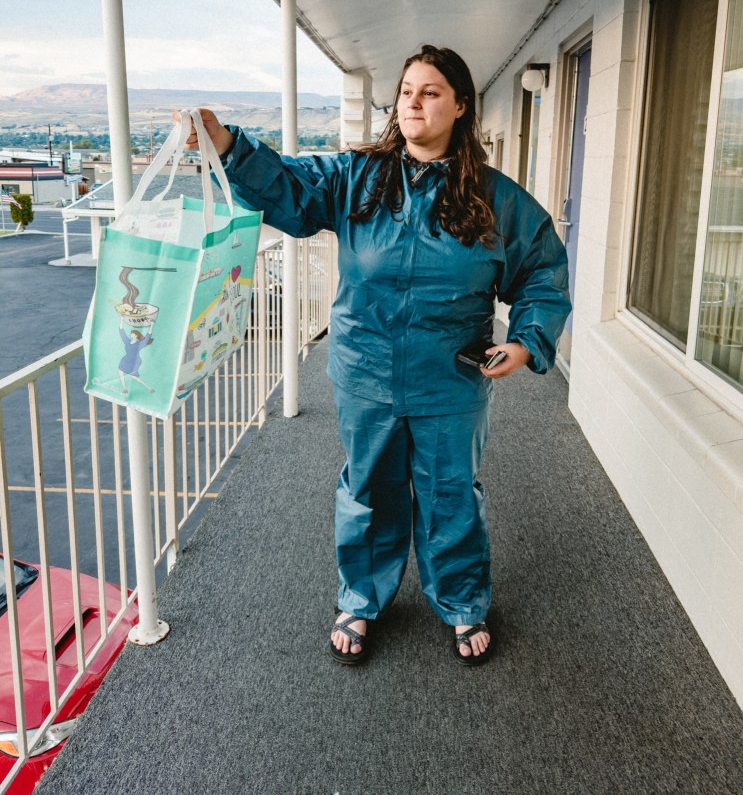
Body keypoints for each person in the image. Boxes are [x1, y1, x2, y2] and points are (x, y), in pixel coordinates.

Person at [181, 44, 571, 666]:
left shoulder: (495, 199)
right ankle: (361, 598)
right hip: (366, 371)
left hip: (451, 377)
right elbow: (291, 189)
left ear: (460, 106)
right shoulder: (357, 178)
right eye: (406, 92)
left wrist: (525, 342)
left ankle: (461, 601)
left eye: (430, 92)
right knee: (369, 488)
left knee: (450, 493)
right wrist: (228, 145)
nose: (413, 102)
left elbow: (543, 272)